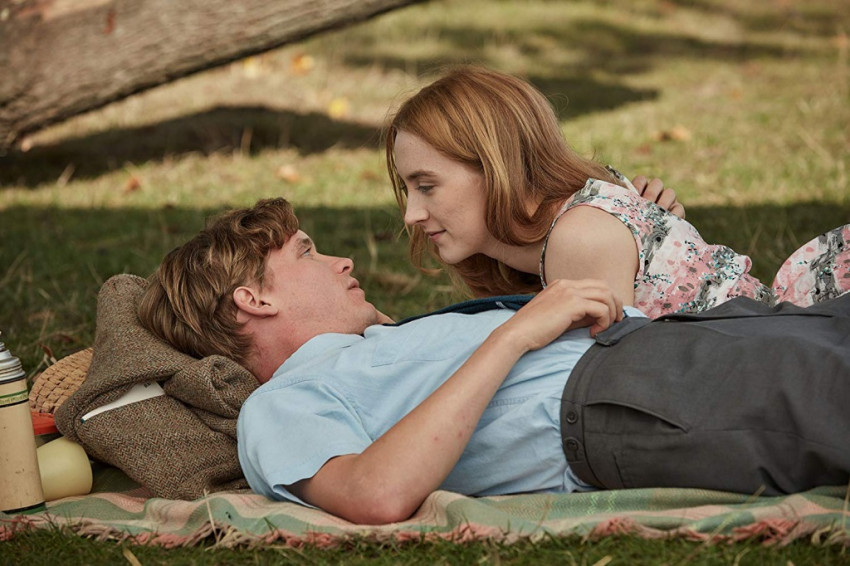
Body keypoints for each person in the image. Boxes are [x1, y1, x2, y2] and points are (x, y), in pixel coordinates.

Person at [138, 197, 850, 525]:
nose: (342, 261)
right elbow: (373, 494)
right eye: (307, 254)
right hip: (625, 397)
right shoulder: (279, 405)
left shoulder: (371, 349)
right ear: (253, 300)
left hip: (672, 346)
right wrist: (514, 335)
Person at [385, 66, 850, 317]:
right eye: (408, 190)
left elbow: (604, 388)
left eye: (426, 186)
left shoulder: (578, 238)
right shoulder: (556, 234)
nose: (412, 215)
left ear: (496, 168)